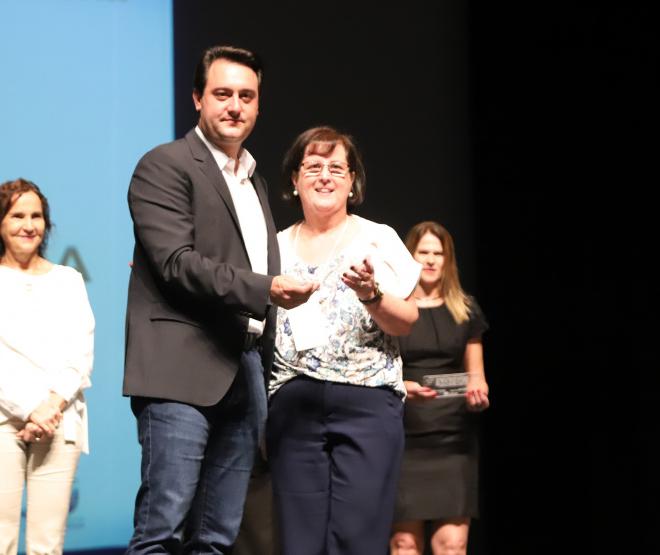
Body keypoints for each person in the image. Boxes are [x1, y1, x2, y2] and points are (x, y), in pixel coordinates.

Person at [122, 46, 317, 555]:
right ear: (197, 98)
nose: (235, 106)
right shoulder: (164, 165)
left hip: (244, 367)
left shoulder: (253, 180)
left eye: (246, 96)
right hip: (180, 369)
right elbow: (176, 262)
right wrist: (266, 289)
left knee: (216, 539)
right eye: (223, 93)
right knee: (162, 533)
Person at [266, 126, 422, 555]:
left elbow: (407, 322)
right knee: (299, 542)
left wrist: (372, 294)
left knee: (359, 539)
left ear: (352, 180)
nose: (325, 176)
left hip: (367, 402)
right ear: (294, 179)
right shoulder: (271, 249)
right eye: (313, 166)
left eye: (337, 168)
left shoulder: (379, 238)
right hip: (294, 405)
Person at [0, 178, 94, 555]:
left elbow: (81, 355)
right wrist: (31, 410)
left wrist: (50, 407)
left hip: (59, 420)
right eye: (17, 215)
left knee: (47, 545)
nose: (29, 225)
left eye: (36, 216)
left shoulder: (68, 280)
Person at [389, 221, 489, 555]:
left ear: (448, 260)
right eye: (424, 252)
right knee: (404, 544)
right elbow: (377, 372)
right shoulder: (392, 308)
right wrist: (403, 386)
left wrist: (478, 393)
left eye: (438, 253)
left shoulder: (466, 308)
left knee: (452, 545)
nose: (431, 260)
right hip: (404, 437)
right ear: (411, 256)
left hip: (453, 441)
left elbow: (476, 375)